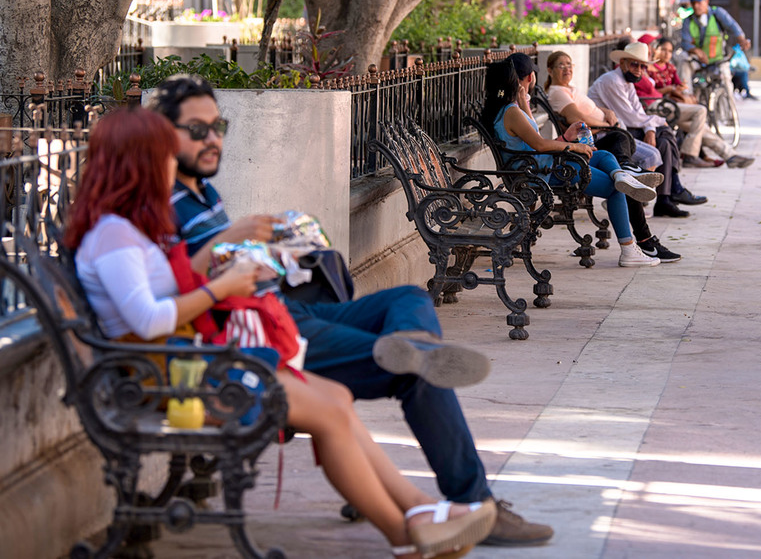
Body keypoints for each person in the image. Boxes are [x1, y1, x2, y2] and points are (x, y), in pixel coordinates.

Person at [65, 106, 497, 559]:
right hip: (177, 375)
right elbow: (148, 320)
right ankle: (407, 531)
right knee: (330, 411)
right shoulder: (114, 234)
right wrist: (221, 288)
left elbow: (167, 289)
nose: (173, 166)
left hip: (190, 361)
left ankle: (417, 515)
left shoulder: (125, 226)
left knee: (337, 399)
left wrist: (230, 261)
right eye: (163, 157)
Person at [149, 74, 553, 547]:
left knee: (408, 299)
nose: (213, 138)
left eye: (218, 125)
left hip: (280, 308)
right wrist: (230, 248)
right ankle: (473, 503)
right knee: (419, 376)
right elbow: (167, 296)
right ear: (162, 136)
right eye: (197, 129)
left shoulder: (199, 191)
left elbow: (215, 263)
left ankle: (412, 347)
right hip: (254, 338)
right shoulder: (154, 207)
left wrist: (276, 249)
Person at [483, 57, 660, 267]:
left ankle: (623, 174)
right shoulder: (512, 113)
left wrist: (564, 137)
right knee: (614, 189)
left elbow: (533, 141)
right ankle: (629, 248)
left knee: (603, 156)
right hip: (541, 172)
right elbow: (539, 144)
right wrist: (574, 146)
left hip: (539, 165)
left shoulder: (509, 108)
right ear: (530, 77)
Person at [533, 51, 680, 262]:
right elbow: (572, 122)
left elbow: (588, 110)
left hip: (592, 143)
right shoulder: (556, 93)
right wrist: (609, 124)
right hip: (586, 143)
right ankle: (642, 241)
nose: (566, 69)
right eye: (560, 66)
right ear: (548, 71)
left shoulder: (570, 90)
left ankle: (626, 173)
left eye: (569, 64)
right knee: (621, 161)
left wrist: (605, 112)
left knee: (623, 165)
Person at [587, 42, 706, 218]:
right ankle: (671, 191)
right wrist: (657, 122)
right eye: (635, 64)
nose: (639, 70)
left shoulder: (626, 82)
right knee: (664, 132)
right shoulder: (612, 81)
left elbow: (639, 113)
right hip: (609, 136)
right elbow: (630, 117)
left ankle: (666, 197)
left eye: (643, 66)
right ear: (623, 63)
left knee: (664, 137)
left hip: (623, 130)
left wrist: (651, 127)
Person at [645, 37, 754, 169]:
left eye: (669, 51)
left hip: (673, 106)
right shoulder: (647, 69)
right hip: (660, 107)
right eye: (663, 50)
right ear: (654, 49)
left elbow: (679, 85)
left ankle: (729, 156)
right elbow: (650, 93)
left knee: (700, 126)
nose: (666, 54)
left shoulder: (670, 68)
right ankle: (692, 155)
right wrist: (668, 90)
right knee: (700, 112)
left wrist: (680, 90)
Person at [679, 0, 752, 105]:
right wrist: (696, 51)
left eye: (699, 2)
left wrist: (742, 39)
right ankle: (688, 99)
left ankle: (730, 112)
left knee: (727, 82)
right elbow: (685, 43)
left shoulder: (717, 14)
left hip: (719, 60)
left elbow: (733, 27)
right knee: (684, 63)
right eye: (693, 3)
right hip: (699, 61)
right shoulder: (688, 21)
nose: (696, 6)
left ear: (706, 1)